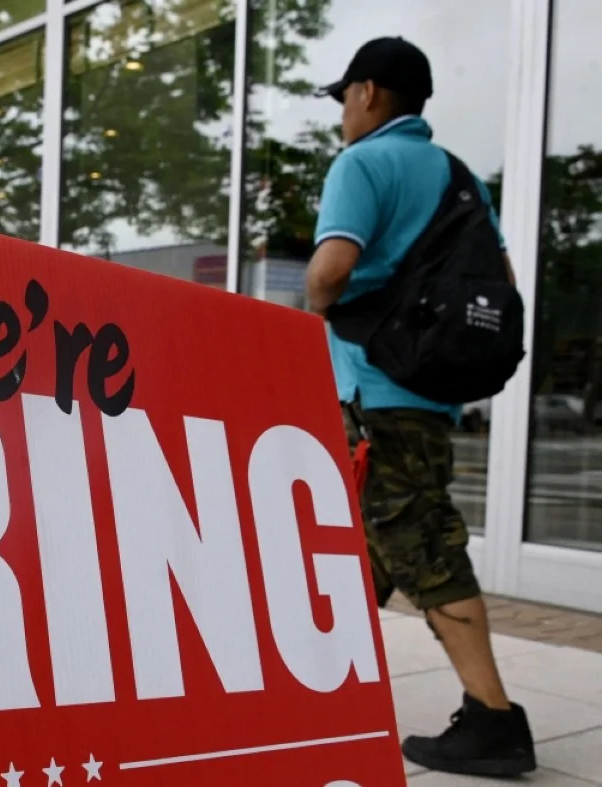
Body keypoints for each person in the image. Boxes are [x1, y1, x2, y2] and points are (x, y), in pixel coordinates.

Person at [305, 37, 537, 777]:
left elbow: (330, 273)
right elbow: (497, 277)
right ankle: (325, 684)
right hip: (429, 395)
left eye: (345, 96)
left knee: (425, 547)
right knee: (367, 543)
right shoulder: (457, 176)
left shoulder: (361, 164)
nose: (343, 110)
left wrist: (312, 304)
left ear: (369, 92)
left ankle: (494, 718)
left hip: (378, 397)